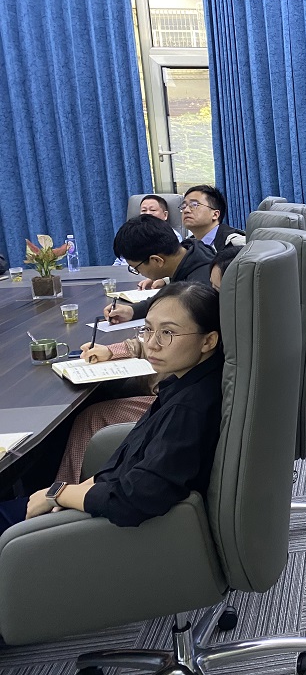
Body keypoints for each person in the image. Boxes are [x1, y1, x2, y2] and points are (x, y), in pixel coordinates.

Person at [0, 282, 225, 534]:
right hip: (98, 497)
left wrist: (58, 494)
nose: (152, 344)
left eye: (167, 333)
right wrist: (72, 491)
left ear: (208, 340)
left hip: (108, 528)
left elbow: (135, 497)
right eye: (148, 329)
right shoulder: (182, 385)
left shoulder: (189, 409)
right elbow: (130, 462)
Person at [55, 246, 240, 484]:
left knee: (92, 415)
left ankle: (64, 487)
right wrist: (111, 351)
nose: (212, 297)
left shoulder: (224, 338)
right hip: (167, 391)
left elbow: (141, 489)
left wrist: (64, 496)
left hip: (168, 396)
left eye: (217, 290)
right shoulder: (233, 320)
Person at [104, 216, 215, 323]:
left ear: (157, 260)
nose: (138, 272)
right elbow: (164, 299)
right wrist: (132, 311)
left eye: (136, 268)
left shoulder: (200, 285)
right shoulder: (188, 255)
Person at [180, 184, 244, 252]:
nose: (186, 210)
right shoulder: (186, 246)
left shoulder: (236, 243)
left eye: (194, 205)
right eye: (184, 206)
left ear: (215, 215)